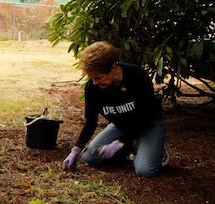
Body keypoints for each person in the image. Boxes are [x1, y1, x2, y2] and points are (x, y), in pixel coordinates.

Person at [62, 41, 167, 178]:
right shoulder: (93, 88)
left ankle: (155, 151)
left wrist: (120, 143)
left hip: (148, 124)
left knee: (145, 171)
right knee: (89, 157)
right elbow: (91, 121)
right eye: (92, 78)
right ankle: (132, 146)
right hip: (121, 125)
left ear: (113, 67)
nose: (95, 83)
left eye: (99, 78)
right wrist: (76, 149)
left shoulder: (137, 76)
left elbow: (145, 115)